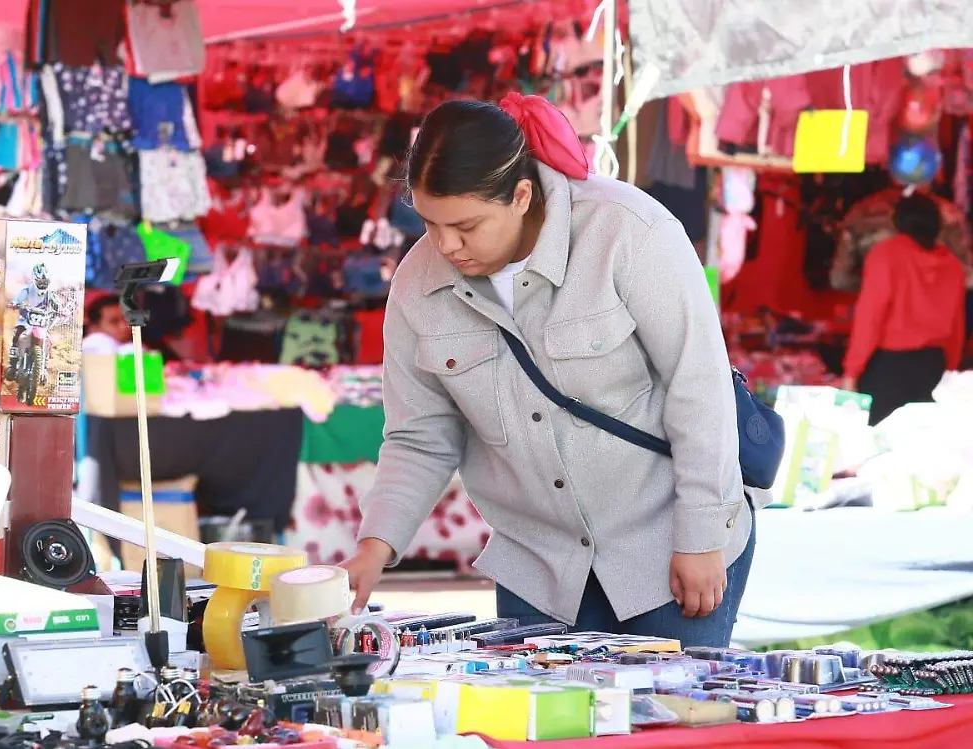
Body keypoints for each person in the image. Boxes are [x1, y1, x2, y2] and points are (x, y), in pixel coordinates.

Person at [342, 95, 756, 648]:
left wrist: (702, 535)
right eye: (430, 223)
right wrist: (376, 546)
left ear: (520, 195)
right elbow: (420, 437)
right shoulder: (418, 283)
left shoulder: (628, 231)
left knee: (666, 726)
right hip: (538, 566)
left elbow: (698, 387)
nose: (446, 245)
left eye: (466, 225)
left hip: (665, 545)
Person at [841, 192, 966, 426]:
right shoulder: (952, 265)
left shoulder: (886, 254)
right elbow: (957, 326)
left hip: (889, 369)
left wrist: (851, 372)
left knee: (878, 448)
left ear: (898, 221)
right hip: (933, 367)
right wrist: (949, 369)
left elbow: (870, 317)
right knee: (924, 445)